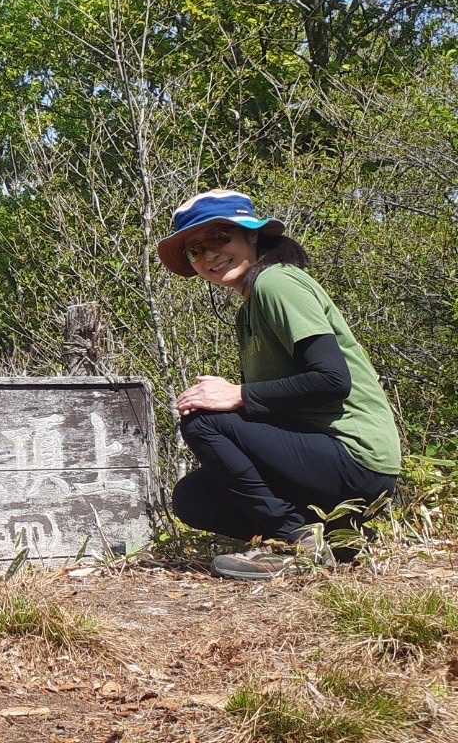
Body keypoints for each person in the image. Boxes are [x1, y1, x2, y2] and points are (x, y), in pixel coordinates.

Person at [157, 189, 401, 580]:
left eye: (221, 238)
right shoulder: (250, 308)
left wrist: (236, 395)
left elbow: (332, 380)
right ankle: (337, 537)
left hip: (356, 457)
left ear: (252, 236)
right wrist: (235, 399)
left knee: (203, 420)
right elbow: (280, 405)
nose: (209, 255)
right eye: (195, 250)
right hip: (319, 455)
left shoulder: (277, 283)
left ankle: (294, 543)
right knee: (195, 498)